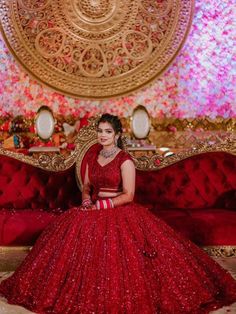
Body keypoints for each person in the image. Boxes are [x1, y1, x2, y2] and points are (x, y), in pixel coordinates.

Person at [0, 113, 236, 314]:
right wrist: (85, 198)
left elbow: (129, 195)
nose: (103, 136)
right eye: (100, 131)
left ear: (117, 135)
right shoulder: (92, 157)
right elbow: (88, 186)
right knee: (66, 235)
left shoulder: (125, 160)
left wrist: (101, 206)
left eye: (108, 132)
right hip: (91, 208)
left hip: (119, 209)